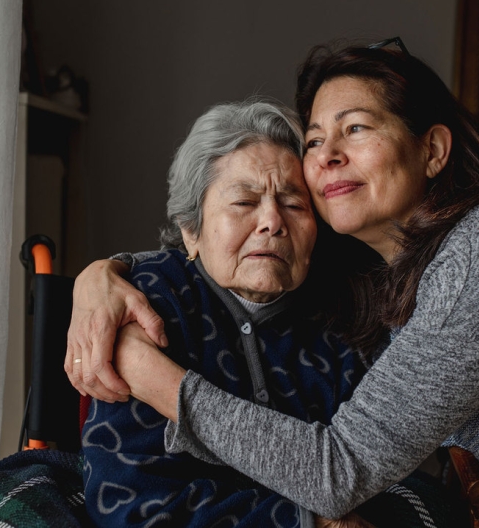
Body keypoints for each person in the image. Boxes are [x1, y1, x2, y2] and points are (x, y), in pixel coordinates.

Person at [67, 42, 479, 528]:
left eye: (356, 128)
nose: (329, 154)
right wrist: (103, 275)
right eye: (315, 140)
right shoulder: (387, 264)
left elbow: (341, 471)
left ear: (433, 150)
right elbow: (225, 247)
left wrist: (141, 369)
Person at [79, 99, 452, 528]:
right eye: (243, 202)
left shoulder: (350, 315)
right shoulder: (148, 305)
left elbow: (390, 476)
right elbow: (132, 501)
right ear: (191, 230)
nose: (272, 221)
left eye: (294, 205)